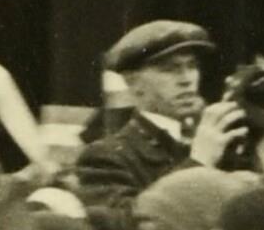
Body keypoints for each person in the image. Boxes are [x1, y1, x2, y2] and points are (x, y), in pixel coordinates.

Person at [74, 21, 242, 207]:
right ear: (134, 83)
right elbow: (131, 221)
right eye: (170, 69)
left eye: (192, 66)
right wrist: (198, 163)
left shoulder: (217, 139)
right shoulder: (106, 158)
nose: (187, 79)